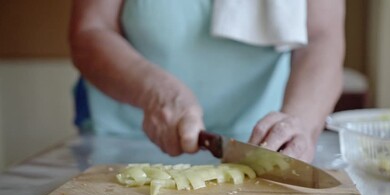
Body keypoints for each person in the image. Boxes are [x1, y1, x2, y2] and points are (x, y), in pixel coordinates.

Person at [69, 0, 345, 163]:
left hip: (260, 147)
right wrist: (157, 93)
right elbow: (90, 29)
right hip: (123, 144)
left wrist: (300, 124)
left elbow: (322, 37)